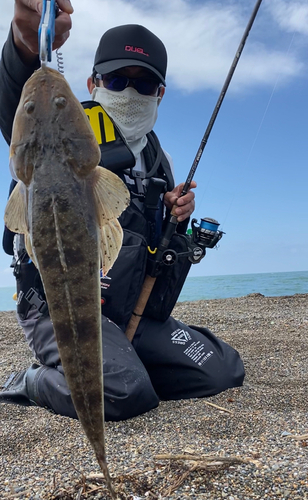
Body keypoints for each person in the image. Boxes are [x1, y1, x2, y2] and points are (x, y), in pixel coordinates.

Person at [0, 0, 245, 421]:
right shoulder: (64, 130)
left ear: (161, 93)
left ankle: (124, 361)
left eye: (144, 85)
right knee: (123, 393)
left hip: (125, 310)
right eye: (116, 79)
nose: (130, 92)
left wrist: (172, 217)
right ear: (93, 82)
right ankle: (33, 380)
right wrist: (24, 43)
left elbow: (147, 250)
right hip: (60, 304)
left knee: (221, 371)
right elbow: (18, 104)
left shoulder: (157, 159)